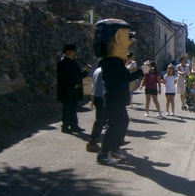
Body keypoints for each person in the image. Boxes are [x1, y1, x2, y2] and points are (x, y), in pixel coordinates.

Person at [94, 19, 147, 165]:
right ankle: (103, 154)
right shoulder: (112, 62)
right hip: (114, 99)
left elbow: (123, 78)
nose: (130, 42)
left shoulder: (112, 61)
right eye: (127, 37)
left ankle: (115, 149)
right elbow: (125, 78)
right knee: (114, 126)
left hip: (116, 99)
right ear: (117, 38)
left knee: (122, 122)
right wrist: (142, 71)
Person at [56, 44, 91, 133]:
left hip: (74, 90)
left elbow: (78, 75)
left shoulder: (73, 62)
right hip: (67, 90)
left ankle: (73, 125)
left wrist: (86, 71)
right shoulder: (63, 62)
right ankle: (65, 126)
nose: (75, 53)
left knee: (73, 108)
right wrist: (72, 85)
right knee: (68, 108)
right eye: (73, 51)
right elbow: (63, 78)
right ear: (68, 52)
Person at [87, 62, 106, 152]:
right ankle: (93, 142)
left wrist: (92, 99)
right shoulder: (104, 71)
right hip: (102, 98)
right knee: (101, 121)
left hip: (97, 97)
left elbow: (93, 86)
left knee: (100, 120)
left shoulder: (96, 71)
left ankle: (95, 141)